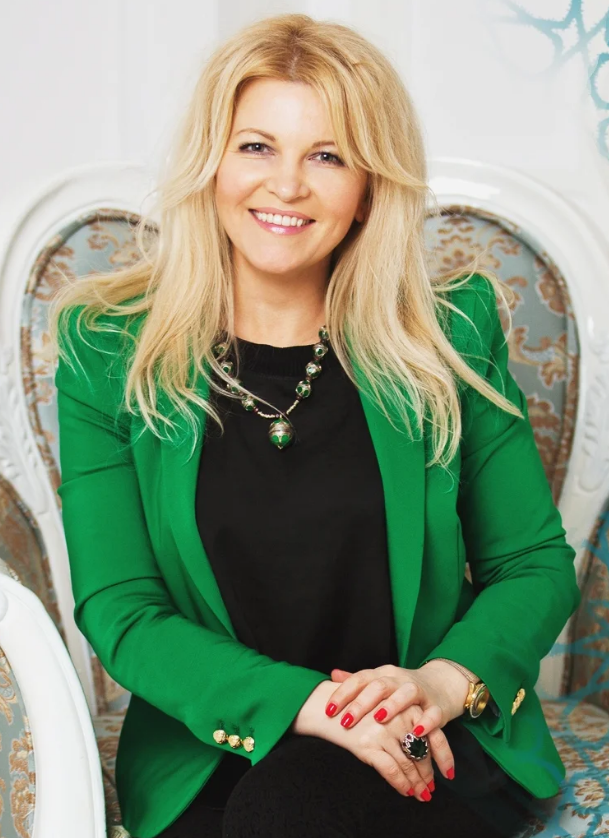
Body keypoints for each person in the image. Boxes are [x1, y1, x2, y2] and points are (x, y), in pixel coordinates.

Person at [49, 12, 579, 838]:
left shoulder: (449, 332)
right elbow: (123, 608)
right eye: (256, 147)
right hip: (216, 745)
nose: (287, 186)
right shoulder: (108, 350)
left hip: (425, 736)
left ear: (369, 188)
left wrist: (440, 683)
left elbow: (531, 565)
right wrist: (314, 707)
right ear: (211, 162)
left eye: (327, 156)